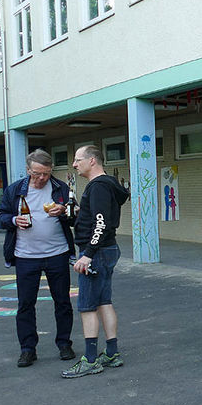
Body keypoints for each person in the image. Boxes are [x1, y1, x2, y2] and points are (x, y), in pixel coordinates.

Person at [0, 149, 77, 367]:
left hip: (57, 253)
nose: (42, 178)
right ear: (28, 170)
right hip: (26, 257)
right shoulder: (15, 190)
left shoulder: (60, 187)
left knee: (62, 301)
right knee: (25, 304)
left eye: (46, 174)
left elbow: (75, 215)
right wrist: (14, 220)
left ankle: (64, 344)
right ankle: (27, 349)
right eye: (37, 174)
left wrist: (64, 210)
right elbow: (1, 216)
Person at [62, 145, 130, 379]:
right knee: (103, 301)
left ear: (92, 161)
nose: (74, 164)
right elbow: (100, 217)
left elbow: (102, 222)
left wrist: (88, 254)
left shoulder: (98, 186)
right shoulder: (108, 185)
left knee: (88, 304)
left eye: (77, 159)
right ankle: (111, 353)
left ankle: (90, 359)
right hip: (106, 249)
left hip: (97, 252)